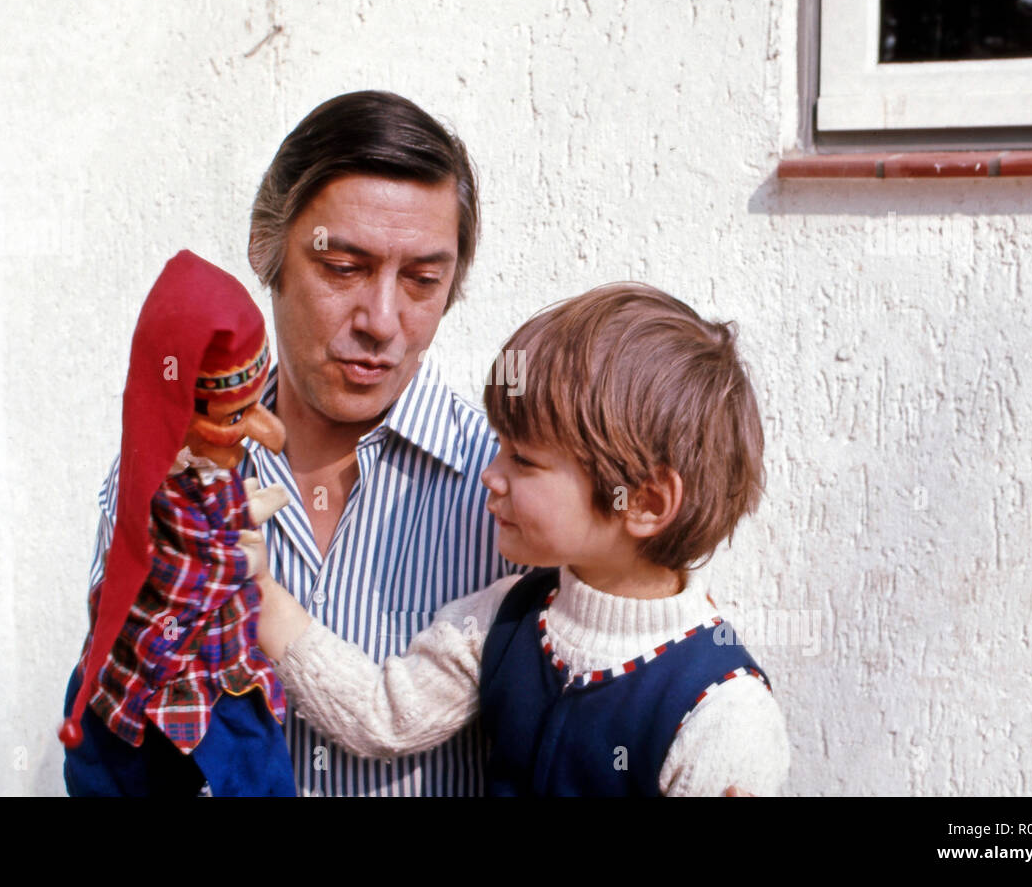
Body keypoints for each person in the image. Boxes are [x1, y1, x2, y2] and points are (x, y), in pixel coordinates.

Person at [76, 91, 527, 796]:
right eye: (343, 268)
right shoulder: (168, 483)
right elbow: (127, 718)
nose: (381, 321)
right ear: (267, 250)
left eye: (422, 280)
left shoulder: (507, 492)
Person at [247, 283, 792, 796]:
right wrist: (263, 591)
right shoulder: (501, 618)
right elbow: (381, 717)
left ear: (644, 502)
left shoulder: (723, 714)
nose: (490, 471)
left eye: (523, 459)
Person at [61, 250, 297, 796]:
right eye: (235, 417)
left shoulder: (208, 474)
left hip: (211, 670)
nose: (264, 431)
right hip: (179, 679)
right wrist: (245, 554)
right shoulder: (155, 491)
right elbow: (196, 578)